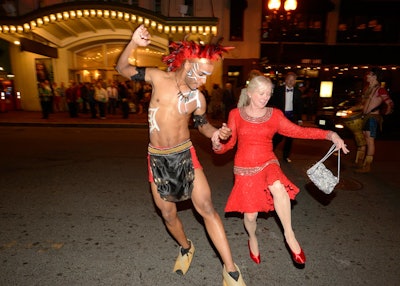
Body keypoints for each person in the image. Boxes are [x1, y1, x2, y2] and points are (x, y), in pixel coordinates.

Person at [115, 24, 246, 286]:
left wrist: (216, 135)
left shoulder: (198, 99)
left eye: (209, 75)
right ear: (187, 66)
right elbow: (122, 69)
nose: (205, 81)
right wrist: (132, 44)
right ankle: (186, 247)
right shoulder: (157, 78)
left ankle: (231, 270)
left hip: (185, 155)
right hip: (158, 158)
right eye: (203, 74)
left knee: (207, 207)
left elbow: (202, 125)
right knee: (167, 214)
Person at [212, 76, 349, 266]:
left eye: (269, 94)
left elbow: (299, 131)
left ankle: (289, 234)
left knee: (278, 186)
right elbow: (229, 144)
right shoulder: (235, 114)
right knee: (250, 217)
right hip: (244, 167)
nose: (266, 97)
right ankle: (252, 237)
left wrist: (330, 135)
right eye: (261, 93)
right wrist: (218, 142)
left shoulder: (274, 115)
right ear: (250, 93)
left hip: (268, 161)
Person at [349, 68, 394, 173]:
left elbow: (390, 103)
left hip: (372, 118)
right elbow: (362, 105)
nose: (367, 76)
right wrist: (352, 109)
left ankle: (367, 166)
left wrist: (386, 112)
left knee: (370, 141)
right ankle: (359, 162)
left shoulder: (380, 90)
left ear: (375, 76)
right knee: (362, 140)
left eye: (369, 75)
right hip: (364, 117)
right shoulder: (367, 89)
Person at [270, 71, 304, 163]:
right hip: (280, 116)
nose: (290, 82)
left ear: (295, 81)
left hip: (291, 117)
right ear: (285, 80)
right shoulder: (278, 90)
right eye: (289, 80)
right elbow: (273, 103)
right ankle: (269, 153)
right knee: (278, 137)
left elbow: (299, 106)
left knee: (289, 138)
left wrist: (300, 119)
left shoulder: (298, 92)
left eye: (292, 80)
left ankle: (286, 156)